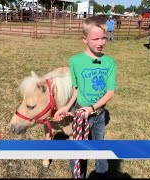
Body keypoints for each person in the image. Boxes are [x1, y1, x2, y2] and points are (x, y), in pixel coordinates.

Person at [54, 16, 117, 179]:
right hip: (81, 115)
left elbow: (110, 92)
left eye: (104, 38)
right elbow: (76, 90)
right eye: (95, 38)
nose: (101, 42)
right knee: (79, 151)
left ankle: (101, 174)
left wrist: (93, 108)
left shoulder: (110, 62)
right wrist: (66, 107)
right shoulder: (75, 61)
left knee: (100, 148)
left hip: (99, 115)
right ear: (84, 39)